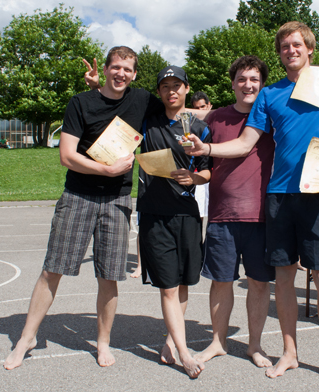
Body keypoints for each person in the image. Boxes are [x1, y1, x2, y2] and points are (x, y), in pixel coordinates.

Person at [185, 21, 319, 386]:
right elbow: (245, 143)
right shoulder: (269, 95)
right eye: (284, 46)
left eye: (296, 45)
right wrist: (207, 148)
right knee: (284, 277)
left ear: (309, 49)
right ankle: (290, 353)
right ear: (280, 54)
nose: (290, 50)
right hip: (279, 195)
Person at [3, 46, 165, 370]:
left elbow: (176, 110)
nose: (121, 73)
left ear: (135, 74)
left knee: (109, 277)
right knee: (53, 270)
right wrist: (105, 169)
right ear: (105, 69)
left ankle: (102, 342)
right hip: (78, 195)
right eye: (116, 67)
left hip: (118, 199)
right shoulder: (80, 102)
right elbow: (66, 155)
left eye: (128, 69)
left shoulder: (143, 100)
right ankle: (26, 338)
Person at [193, 56, 276, 368]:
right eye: (242, 79)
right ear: (232, 83)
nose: (248, 85)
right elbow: (200, 159)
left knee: (258, 283)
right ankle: (217, 342)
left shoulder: (272, 116)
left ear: (262, 83)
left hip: (262, 216)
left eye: (254, 79)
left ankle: (254, 346)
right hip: (222, 215)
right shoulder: (215, 118)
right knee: (221, 281)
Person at [137, 65, 211, 378]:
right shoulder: (146, 118)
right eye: (165, 86)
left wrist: (192, 178)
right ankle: (184, 352)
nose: (171, 91)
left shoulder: (198, 126)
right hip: (155, 214)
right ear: (159, 91)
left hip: (188, 214)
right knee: (167, 286)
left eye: (177, 85)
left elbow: (208, 171)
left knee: (182, 284)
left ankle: (172, 338)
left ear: (186, 88)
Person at [190, 91, 212, 224]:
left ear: (209, 106)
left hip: (215, 173)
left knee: (213, 216)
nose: (200, 111)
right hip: (198, 172)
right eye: (196, 108)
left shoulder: (217, 121)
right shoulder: (191, 126)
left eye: (202, 107)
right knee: (199, 215)